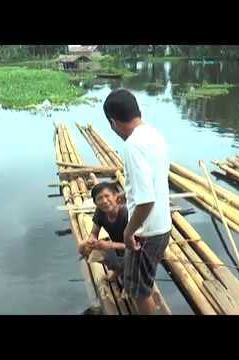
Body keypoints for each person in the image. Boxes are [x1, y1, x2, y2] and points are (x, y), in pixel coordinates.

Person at [103, 88, 171, 315]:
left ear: (113, 122)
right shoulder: (155, 134)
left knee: (138, 291)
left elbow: (146, 200)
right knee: (144, 283)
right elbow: (152, 181)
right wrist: (127, 195)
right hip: (163, 225)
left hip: (146, 231)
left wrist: (128, 232)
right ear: (137, 111)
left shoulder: (132, 145)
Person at [78, 182, 127, 282]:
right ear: (95, 202)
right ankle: (119, 269)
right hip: (118, 248)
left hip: (136, 251)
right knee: (84, 248)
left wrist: (111, 245)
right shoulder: (100, 211)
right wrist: (91, 240)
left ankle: (127, 274)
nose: (104, 201)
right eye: (99, 198)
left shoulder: (126, 213)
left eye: (107, 196)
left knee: (131, 255)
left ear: (115, 196)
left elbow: (138, 246)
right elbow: (94, 233)